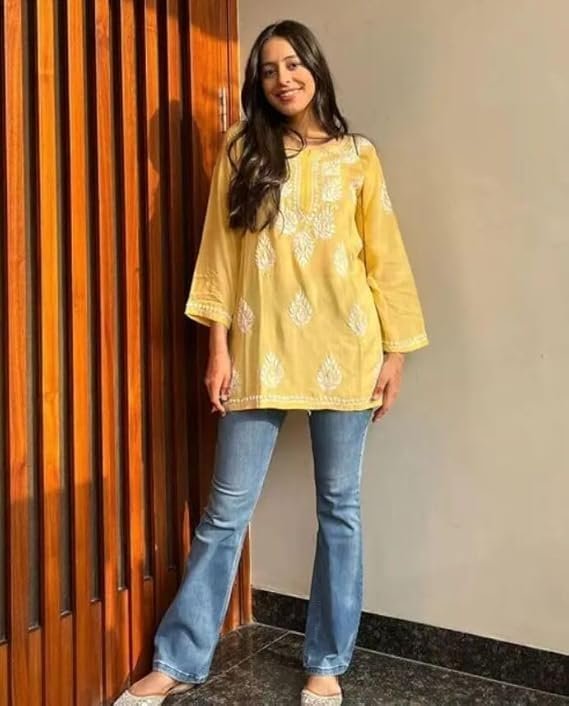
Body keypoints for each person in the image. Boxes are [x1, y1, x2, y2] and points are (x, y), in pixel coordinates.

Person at [115, 18, 428, 706]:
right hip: (260, 351)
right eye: (268, 69)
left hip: (347, 351)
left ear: (314, 67)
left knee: (339, 509)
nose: (283, 78)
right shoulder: (243, 150)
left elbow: (385, 258)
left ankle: (326, 661)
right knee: (226, 511)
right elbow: (220, 256)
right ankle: (178, 659)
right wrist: (217, 348)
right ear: (257, 84)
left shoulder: (357, 156)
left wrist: (395, 353)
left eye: (292, 64)